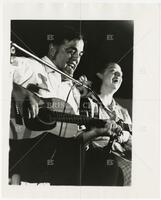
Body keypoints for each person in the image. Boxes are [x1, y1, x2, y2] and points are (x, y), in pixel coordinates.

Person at [9, 27, 121, 185]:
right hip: (22, 146)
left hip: (59, 155)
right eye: (71, 51)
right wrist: (19, 91)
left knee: (108, 164)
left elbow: (72, 137)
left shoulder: (73, 91)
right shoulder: (30, 66)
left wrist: (95, 132)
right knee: (70, 150)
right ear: (53, 49)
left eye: (80, 54)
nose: (76, 58)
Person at [80, 62, 132, 186]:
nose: (118, 74)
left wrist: (125, 137)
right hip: (95, 158)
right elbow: (80, 136)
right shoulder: (88, 102)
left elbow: (132, 143)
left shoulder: (123, 112)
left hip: (121, 156)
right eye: (113, 70)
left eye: (121, 74)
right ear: (100, 75)